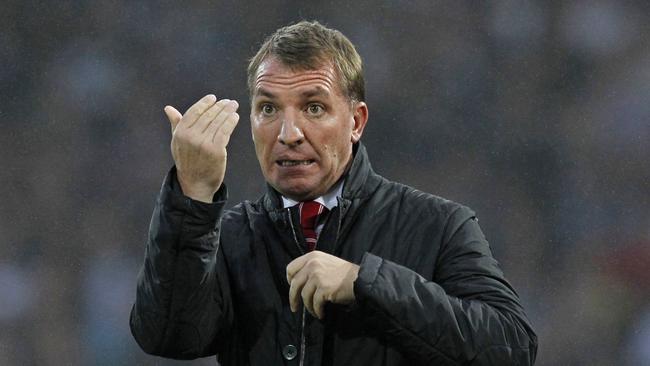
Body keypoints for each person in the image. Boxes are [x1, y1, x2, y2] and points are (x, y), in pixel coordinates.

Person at [130, 21, 537, 365]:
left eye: (314, 108)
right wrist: (194, 199)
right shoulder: (226, 237)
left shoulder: (439, 226)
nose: (288, 135)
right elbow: (167, 337)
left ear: (356, 121)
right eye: (269, 109)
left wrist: (367, 283)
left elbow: (511, 346)